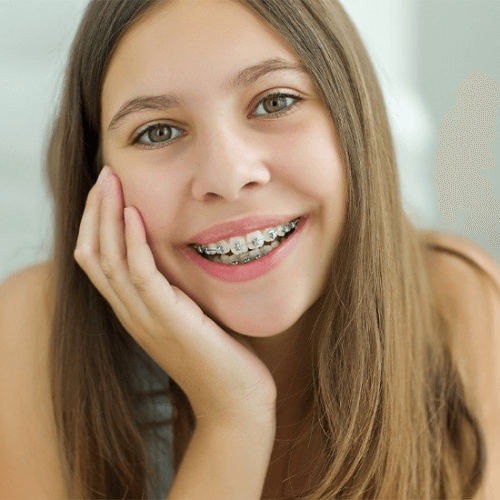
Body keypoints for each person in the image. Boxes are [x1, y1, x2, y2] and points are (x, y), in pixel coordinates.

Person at [1, 0, 499, 498]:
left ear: (351, 115)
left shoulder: (459, 303)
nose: (228, 176)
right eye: (158, 132)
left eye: (275, 102)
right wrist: (233, 417)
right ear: (97, 180)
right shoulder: (33, 330)